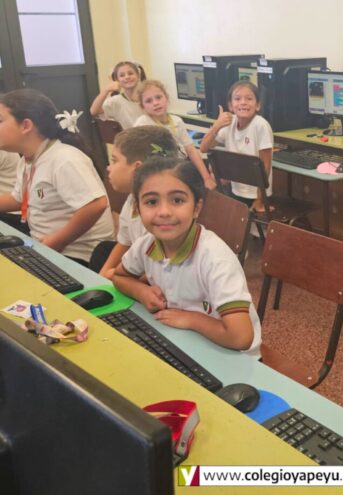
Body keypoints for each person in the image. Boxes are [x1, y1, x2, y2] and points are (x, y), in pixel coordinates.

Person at [0, 89, 114, 266]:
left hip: (77, 257)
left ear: (26, 126)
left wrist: (58, 241)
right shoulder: (29, 159)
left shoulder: (64, 159)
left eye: (0, 121)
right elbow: (16, 199)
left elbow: (96, 204)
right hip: (47, 247)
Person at [112, 155, 261, 355]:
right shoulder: (145, 245)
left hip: (231, 354)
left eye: (177, 200)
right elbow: (119, 276)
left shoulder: (214, 258)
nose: (164, 212)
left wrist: (192, 319)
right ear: (138, 209)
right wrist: (141, 292)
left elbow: (240, 337)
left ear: (196, 208)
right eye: (152, 201)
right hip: (181, 339)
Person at [91, 125, 179, 278]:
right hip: (138, 263)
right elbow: (124, 243)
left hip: (158, 276)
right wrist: (102, 275)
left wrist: (114, 275)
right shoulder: (133, 198)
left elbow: (156, 269)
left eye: (114, 161)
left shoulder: (162, 214)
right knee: (103, 250)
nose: (109, 168)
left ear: (137, 168)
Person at [199, 81, 273, 213]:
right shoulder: (229, 123)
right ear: (230, 106)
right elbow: (204, 148)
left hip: (258, 194)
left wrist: (260, 199)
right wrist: (216, 126)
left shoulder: (261, 125)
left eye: (249, 99)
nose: (243, 102)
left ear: (258, 105)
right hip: (236, 190)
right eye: (237, 99)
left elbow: (265, 166)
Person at [133, 79, 215, 189]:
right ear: (143, 107)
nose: (155, 103)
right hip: (158, 172)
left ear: (166, 98)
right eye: (149, 101)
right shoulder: (142, 123)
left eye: (158, 97)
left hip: (179, 165)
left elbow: (191, 150)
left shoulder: (177, 121)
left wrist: (206, 178)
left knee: (213, 169)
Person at [90, 60, 146, 129]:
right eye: (122, 75)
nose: (127, 77)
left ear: (138, 76)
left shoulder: (148, 97)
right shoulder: (115, 101)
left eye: (130, 73)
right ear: (117, 80)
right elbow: (94, 111)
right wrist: (106, 90)